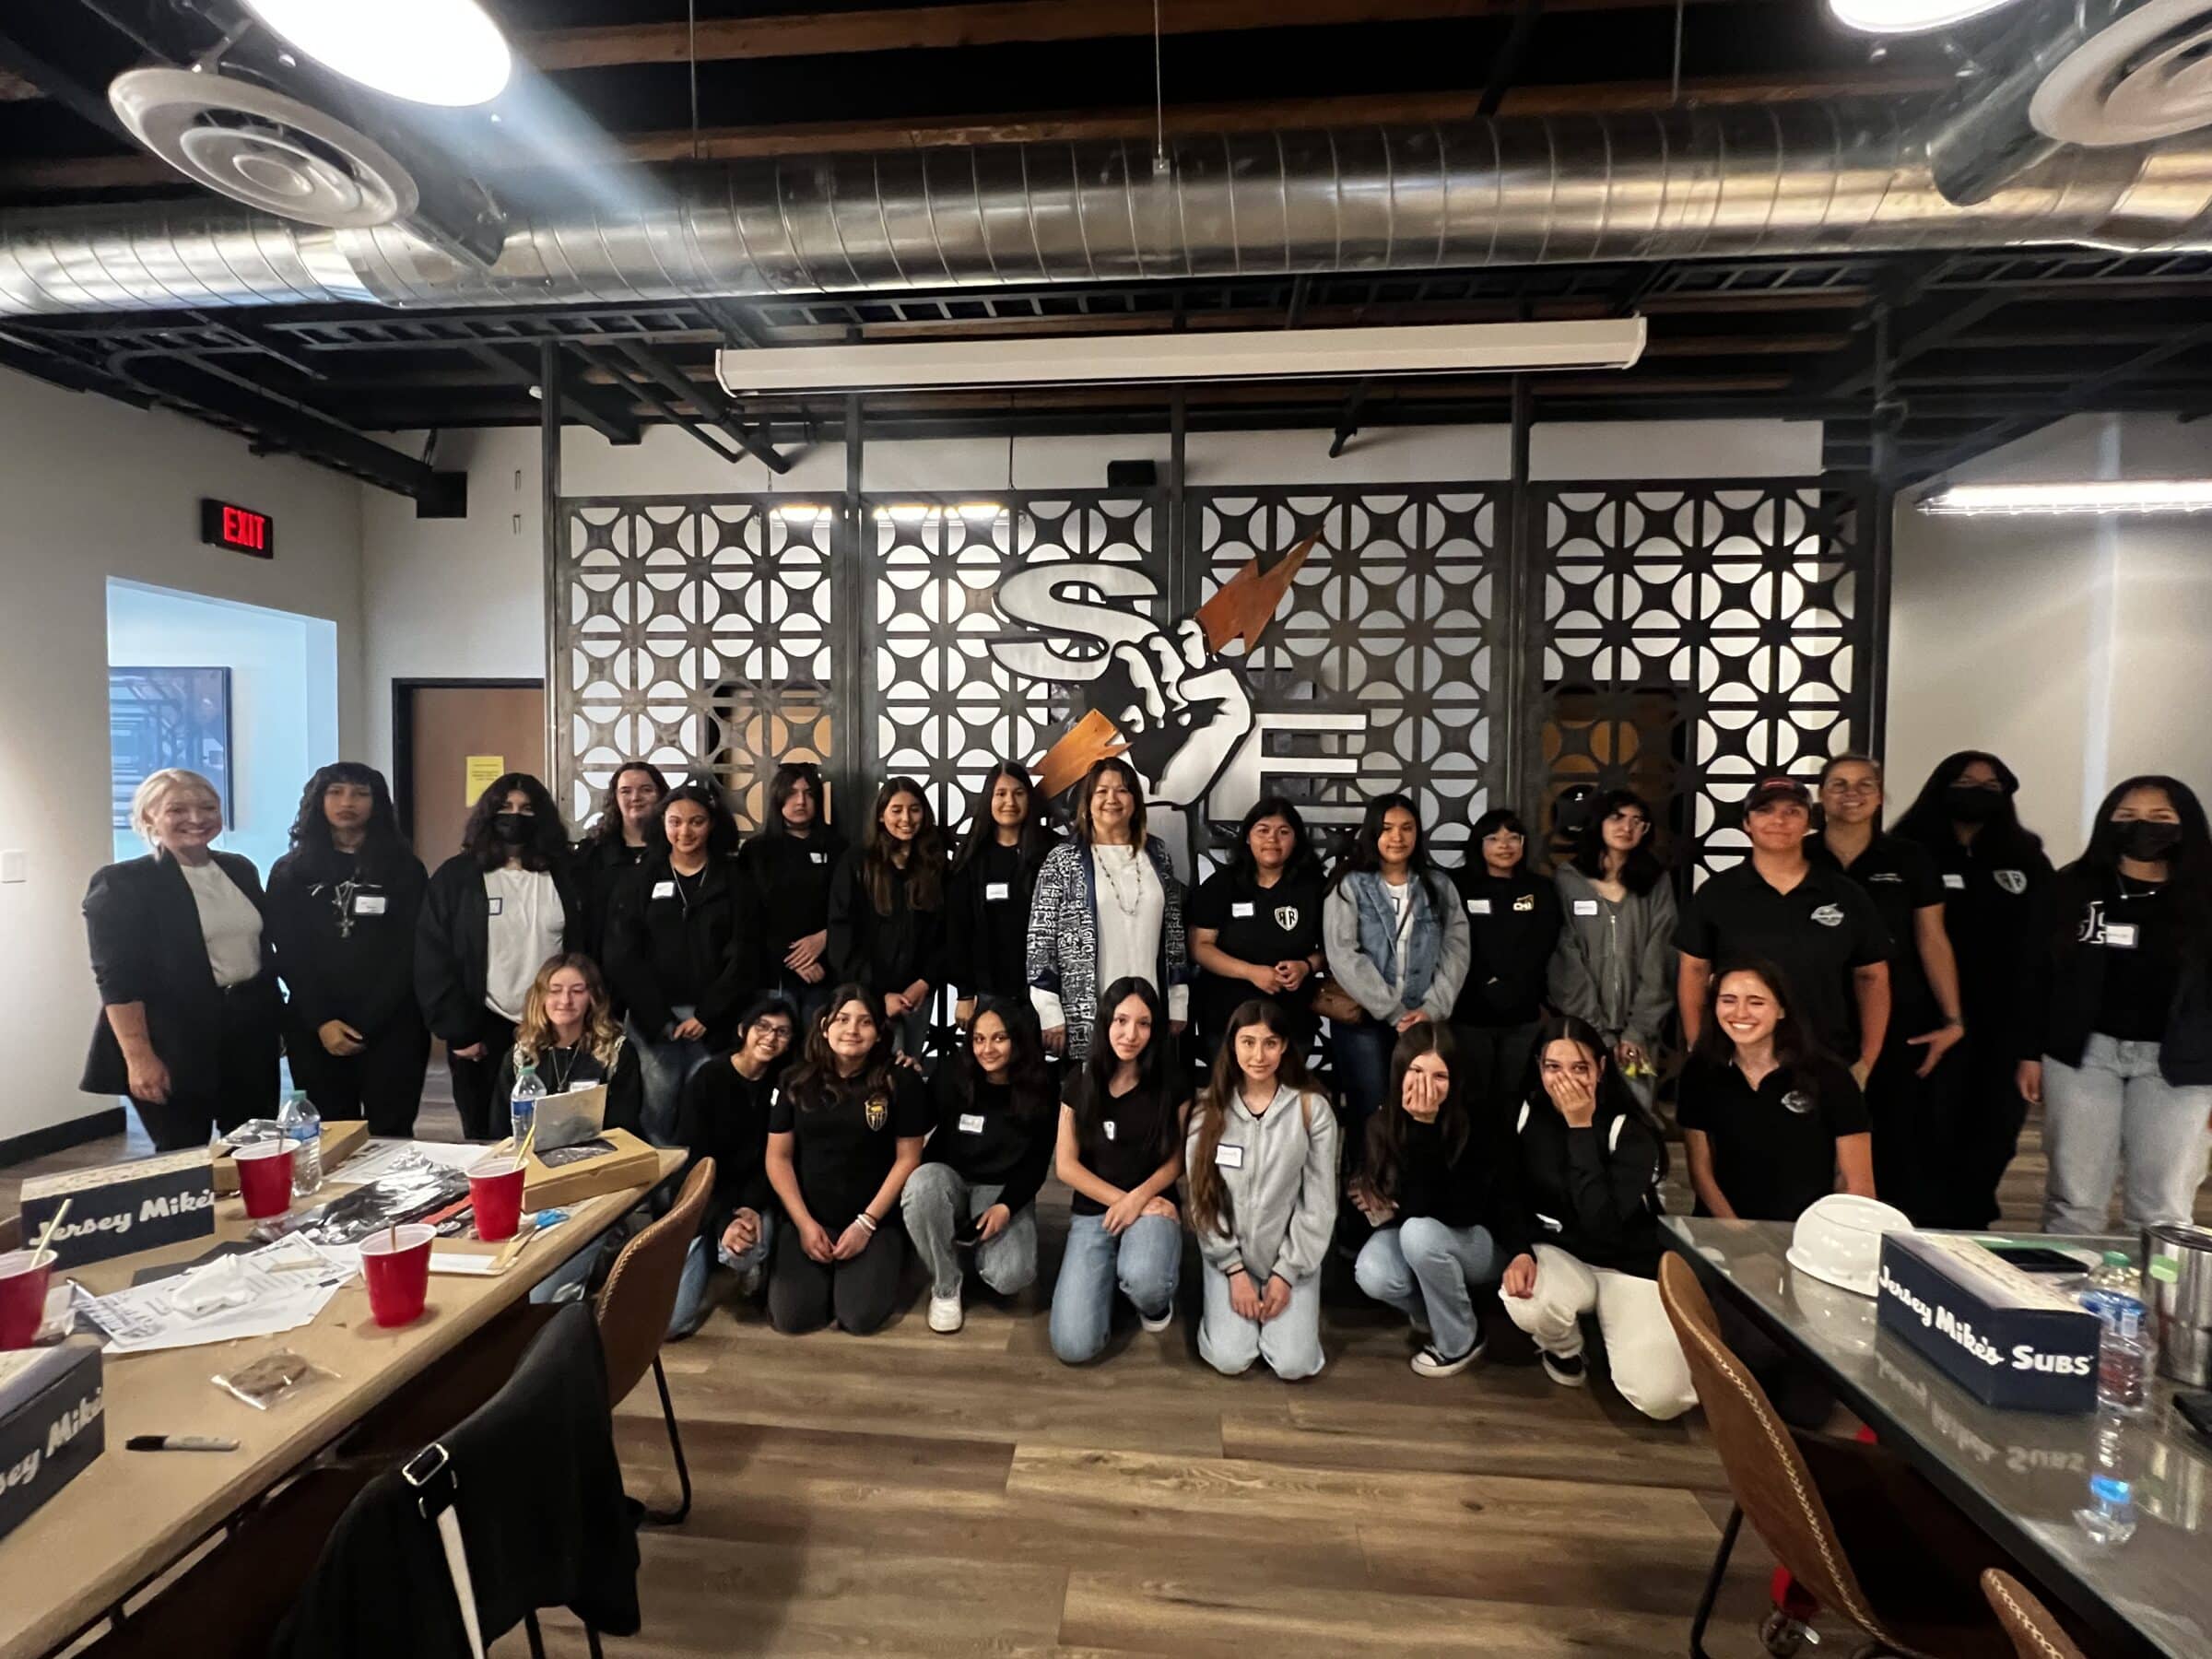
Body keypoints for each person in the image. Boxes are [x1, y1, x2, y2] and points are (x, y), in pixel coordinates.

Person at [2021, 776, 2212, 1233]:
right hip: (2083, 1055)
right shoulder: (2071, 886)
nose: (2141, 826)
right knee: (2075, 1200)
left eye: (2159, 818)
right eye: (2127, 816)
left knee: (2163, 1208)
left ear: (2185, 825)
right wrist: (2030, 1052)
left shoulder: (2206, 895)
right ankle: (2064, 1301)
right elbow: (2034, 976)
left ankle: (2161, 1303)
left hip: (2180, 1064)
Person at [1500, 1015, 1696, 1420]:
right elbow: (1506, 1194)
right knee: (1525, 1301)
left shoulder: (1632, 1131)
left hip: (1626, 1262)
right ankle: (1565, 1347)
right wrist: (1518, 1251)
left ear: (1601, 1069)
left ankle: (1612, 1333)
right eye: (1553, 1068)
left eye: (1579, 1068)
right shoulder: (1524, 1115)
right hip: (1560, 1253)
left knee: (1664, 1399)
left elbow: (1602, 1224)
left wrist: (1580, 1126)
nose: (1565, 1081)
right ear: (1539, 1067)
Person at [1891, 751, 2054, 1227]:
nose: (1977, 791)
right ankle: (1911, 1231)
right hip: (1924, 1022)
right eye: (1965, 781)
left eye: (1990, 785)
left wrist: (2031, 1047)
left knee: (1991, 1134)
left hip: (2001, 1027)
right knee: (1919, 1132)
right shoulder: (1906, 851)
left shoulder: (2028, 859)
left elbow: (2040, 955)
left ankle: (1970, 1229)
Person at [80, 768, 282, 1150]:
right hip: (172, 1039)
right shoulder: (123, 883)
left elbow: (259, 949)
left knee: (255, 1147)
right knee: (182, 1156)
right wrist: (139, 1057)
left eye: (207, 807)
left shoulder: (239, 869)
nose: (196, 818)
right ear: (148, 818)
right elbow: (117, 980)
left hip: (249, 1030)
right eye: (177, 809)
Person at [1811, 755, 1967, 1224]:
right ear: (1821, 795)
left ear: (1880, 796)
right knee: (1816, 1134)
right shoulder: (1802, 854)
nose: (1851, 793)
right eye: (1838, 784)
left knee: (1896, 1135)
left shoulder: (1910, 858)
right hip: (1819, 1015)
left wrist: (1953, 1018)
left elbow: (1932, 938)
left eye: (1864, 784)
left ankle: (1890, 1240)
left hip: (1901, 1015)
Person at [1676, 775, 1890, 1086]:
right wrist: (1699, 1048)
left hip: (1827, 1058)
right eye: (1765, 811)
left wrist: (1867, 1059)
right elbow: (1694, 970)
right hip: (1739, 1061)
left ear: (1809, 823)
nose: (1779, 820)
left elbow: (1872, 976)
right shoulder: (1717, 894)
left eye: (1792, 812)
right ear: (1747, 823)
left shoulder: (1845, 894)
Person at [1350, 1023, 1530, 1377]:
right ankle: (1431, 1313)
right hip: (1418, 1233)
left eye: (1439, 1077)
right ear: (1399, 1073)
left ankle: (1459, 1341)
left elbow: (1460, 1210)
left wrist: (1425, 1129)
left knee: (1419, 1233)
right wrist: (1374, 1204)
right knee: (1372, 1270)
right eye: (1416, 1072)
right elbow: (1374, 1208)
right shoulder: (1382, 1123)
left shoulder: (1480, 1121)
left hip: (1480, 1239)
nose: (1426, 1087)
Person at [265, 762, 430, 1135]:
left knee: (393, 1131)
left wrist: (370, 1021)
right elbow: (287, 950)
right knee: (329, 1134)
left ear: (377, 803)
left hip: (393, 1023)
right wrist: (322, 1020)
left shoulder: (404, 868)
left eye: (360, 793)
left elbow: (411, 948)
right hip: (316, 1023)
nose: (347, 802)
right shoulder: (291, 871)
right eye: (335, 792)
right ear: (317, 801)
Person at [417, 773, 581, 1139]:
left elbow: (585, 949)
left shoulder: (568, 874)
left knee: (556, 1134)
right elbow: (433, 956)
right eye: (505, 808)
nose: (515, 816)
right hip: (482, 1027)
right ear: (488, 814)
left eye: (526, 809)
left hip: (554, 1024)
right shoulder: (456, 878)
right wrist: (457, 1030)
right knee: (484, 1135)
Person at [1186, 999, 1340, 1380]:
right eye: (1248, 1042)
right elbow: (1202, 1198)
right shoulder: (1209, 1109)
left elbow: (1319, 1203)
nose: (1259, 1055)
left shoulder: (1312, 1109)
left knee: (1295, 1365)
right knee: (1230, 1358)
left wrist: (1287, 1273)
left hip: (1288, 1258)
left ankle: (1282, 1319)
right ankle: (1231, 1316)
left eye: (1270, 1043)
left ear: (1285, 1046)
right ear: (1232, 1045)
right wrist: (1233, 1269)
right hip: (1229, 1257)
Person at [763, 984, 930, 1335]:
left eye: (865, 1021)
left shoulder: (899, 1080)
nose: (852, 1030)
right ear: (824, 1026)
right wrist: (805, 1224)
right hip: (810, 1216)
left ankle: (892, 1259)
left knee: (859, 1318)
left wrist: (866, 1224)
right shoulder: (795, 1079)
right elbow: (778, 1158)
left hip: (874, 1218)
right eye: (842, 1019)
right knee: (794, 1319)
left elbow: (908, 1158)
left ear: (879, 1031)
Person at [606, 780, 761, 1144]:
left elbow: (745, 954)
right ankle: (662, 1197)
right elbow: (623, 954)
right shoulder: (640, 879)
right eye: (675, 821)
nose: (685, 831)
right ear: (663, 824)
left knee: (709, 1110)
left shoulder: (735, 881)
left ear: (712, 825)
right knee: (656, 1110)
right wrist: (659, 1018)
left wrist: (707, 1014)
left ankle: (701, 1190)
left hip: (715, 1021)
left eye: (696, 821)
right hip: (654, 1020)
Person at [1049, 978, 1189, 1364]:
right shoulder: (1080, 1081)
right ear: (1106, 1021)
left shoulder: (1173, 1082)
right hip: (1096, 1210)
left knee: (1146, 1282)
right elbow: (1066, 1165)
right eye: (1121, 1020)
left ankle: (1152, 1302)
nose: (1131, 1034)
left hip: (1155, 1203)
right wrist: (1125, 1204)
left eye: (1143, 1023)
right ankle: (1109, 1278)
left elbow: (1177, 1161)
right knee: (1073, 1346)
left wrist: (1141, 1201)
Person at [901, 997, 1056, 1333]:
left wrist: (1007, 1205)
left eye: (999, 1038)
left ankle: (967, 1245)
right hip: (951, 1179)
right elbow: (921, 1119)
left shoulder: (1041, 1086)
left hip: (1002, 1187)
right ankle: (946, 1284)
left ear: (1017, 1040)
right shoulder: (953, 1073)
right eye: (979, 1039)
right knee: (921, 1184)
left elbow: (1037, 1162)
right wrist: (908, 1081)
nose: (987, 1049)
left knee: (1011, 1275)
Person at [1678, 960, 1875, 1220]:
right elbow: (1701, 1172)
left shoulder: (1829, 1075)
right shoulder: (1700, 1071)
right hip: (1722, 1233)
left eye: (1756, 1002)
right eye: (1728, 1000)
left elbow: (1857, 1183)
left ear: (1782, 1009)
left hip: (1805, 1236)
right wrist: (1736, 1235)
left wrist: (1825, 1238)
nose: (1740, 1012)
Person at [1027, 758, 1190, 1063]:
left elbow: (1174, 933)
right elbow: (1040, 941)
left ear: (1135, 802)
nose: (1112, 799)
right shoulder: (1063, 860)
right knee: (1088, 1100)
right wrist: (1049, 1010)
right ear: (1087, 802)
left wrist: (1178, 1001)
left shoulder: (1158, 854)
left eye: (1123, 791)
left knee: (1144, 1097)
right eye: (1102, 791)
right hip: (1087, 1009)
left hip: (1149, 1009)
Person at [1322, 794, 1471, 1123]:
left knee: (1421, 1109)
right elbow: (1343, 953)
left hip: (1425, 1017)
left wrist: (1432, 1008)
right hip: (1365, 1019)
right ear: (1372, 833)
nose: (1397, 837)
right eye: (1387, 828)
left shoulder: (1439, 886)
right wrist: (1393, 1011)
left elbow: (1456, 950)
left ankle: (1411, 1174)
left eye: (1407, 828)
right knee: (1371, 1109)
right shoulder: (1350, 885)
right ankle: (1368, 1175)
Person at [667, 994, 797, 1338]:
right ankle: (715, 1245)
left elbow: (779, 1159)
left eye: (782, 1032)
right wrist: (723, 1218)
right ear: (743, 1030)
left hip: (756, 1198)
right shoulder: (708, 1078)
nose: (770, 1037)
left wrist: (751, 1207)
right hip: (706, 1198)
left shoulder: (787, 1086)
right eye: (763, 1027)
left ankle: (745, 1260)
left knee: (746, 1251)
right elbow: (691, 1162)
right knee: (671, 1325)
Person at [1549, 788, 1677, 1104]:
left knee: (1636, 1114)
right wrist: (1597, 1032)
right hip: (1581, 1030)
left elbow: (1661, 956)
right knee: (1581, 1109)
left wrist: (1637, 1030)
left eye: (1638, 821)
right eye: (1617, 817)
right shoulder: (1567, 880)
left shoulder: (1655, 883)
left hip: (1640, 1033)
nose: (1627, 827)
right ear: (1598, 822)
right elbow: (1565, 958)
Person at [1188, 796, 1327, 1060]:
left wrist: (1305, 966)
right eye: (1263, 830)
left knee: (1287, 1097)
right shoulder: (1222, 884)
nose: (1272, 840)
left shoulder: (1315, 888)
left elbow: (1333, 950)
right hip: (1227, 1020)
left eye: (1283, 832)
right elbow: (1199, 946)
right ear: (1248, 838)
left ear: (1296, 840)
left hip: (1291, 1021)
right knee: (1228, 1098)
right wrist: (1251, 972)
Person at [1449, 807, 1562, 1115]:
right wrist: (1486, 982)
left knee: (1514, 1095)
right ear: (1478, 844)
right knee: (1472, 1095)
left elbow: (1545, 942)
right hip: (1468, 1010)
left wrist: (1515, 986)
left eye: (1514, 837)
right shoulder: (1456, 885)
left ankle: (1511, 1161)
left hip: (1523, 1011)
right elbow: (1451, 943)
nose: (1505, 845)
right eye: (1494, 837)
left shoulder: (1541, 888)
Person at [827, 776, 949, 1059]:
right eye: (896, 810)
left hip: (918, 995)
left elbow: (947, 932)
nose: (906, 818)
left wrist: (925, 982)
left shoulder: (936, 865)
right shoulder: (856, 863)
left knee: (909, 1071)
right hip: (867, 998)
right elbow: (841, 933)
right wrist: (879, 996)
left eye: (915, 809)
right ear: (881, 815)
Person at [944, 761, 1056, 1025]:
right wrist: (964, 994)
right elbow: (958, 928)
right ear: (988, 799)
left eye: (1018, 793)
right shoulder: (972, 856)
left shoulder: (1053, 850)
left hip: (1044, 991)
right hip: (989, 991)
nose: (1010, 802)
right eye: (1000, 794)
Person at [485, 954, 644, 1138]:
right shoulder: (521, 1055)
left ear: (593, 997)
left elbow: (624, 1129)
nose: (565, 1001)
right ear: (541, 997)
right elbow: (500, 1129)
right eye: (555, 990)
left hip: (599, 1158)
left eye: (577, 991)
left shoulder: (616, 1053)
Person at [737, 761, 845, 1020]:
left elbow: (852, 906)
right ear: (778, 798)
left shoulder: (838, 847)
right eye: (792, 793)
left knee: (817, 1054)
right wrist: (793, 959)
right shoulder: (757, 851)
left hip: (826, 973)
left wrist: (826, 937)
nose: (801, 801)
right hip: (771, 976)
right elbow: (747, 917)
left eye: (809, 794)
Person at [571, 760, 666, 976]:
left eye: (646, 790)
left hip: (663, 977)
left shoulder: (675, 852)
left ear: (661, 796)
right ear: (615, 798)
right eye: (626, 791)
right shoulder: (591, 855)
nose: (635, 798)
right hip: (603, 976)